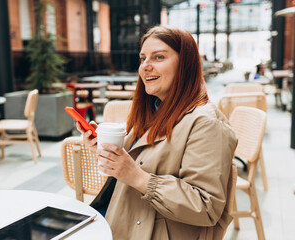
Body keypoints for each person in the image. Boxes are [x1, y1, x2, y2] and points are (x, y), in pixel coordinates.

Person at [76, 25, 238, 239]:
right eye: (143, 59)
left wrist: (138, 177)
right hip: (121, 222)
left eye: (158, 57)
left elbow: (206, 207)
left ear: (185, 65)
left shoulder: (207, 124)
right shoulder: (155, 109)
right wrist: (108, 148)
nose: (145, 66)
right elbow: (145, 158)